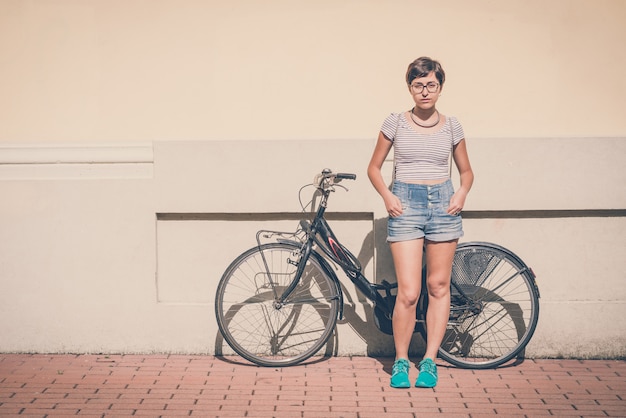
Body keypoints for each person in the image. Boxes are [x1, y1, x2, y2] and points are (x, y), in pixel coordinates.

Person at [367, 57, 474, 388]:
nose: (424, 91)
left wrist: (461, 193)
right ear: (410, 87)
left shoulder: (453, 125)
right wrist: (388, 196)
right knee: (410, 292)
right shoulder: (395, 122)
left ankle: (429, 360)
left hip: (443, 206)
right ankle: (401, 360)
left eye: (431, 84)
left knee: (438, 287)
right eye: (418, 85)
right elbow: (374, 167)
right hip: (406, 206)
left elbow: (466, 171)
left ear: (440, 87)